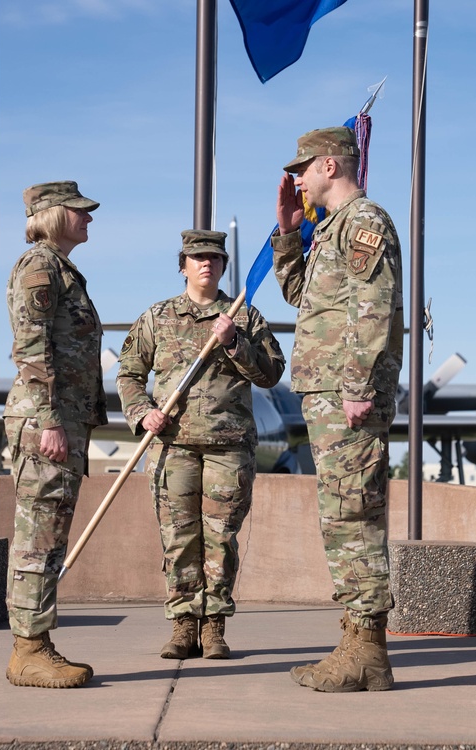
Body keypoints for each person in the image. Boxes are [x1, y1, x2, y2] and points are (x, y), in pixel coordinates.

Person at [272, 126, 404, 692]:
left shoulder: (364, 222)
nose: (297, 178)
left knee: (354, 515)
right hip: (326, 394)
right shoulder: (328, 231)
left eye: (302, 168)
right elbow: (300, 297)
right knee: (342, 518)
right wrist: (287, 234)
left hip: (346, 395)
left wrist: (356, 385)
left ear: (330, 166)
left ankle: (368, 649)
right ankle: (355, 642)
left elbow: (372, 308)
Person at [116, 229, 285, 660]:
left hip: (228, 448)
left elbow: (270, 374)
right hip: (173, 447)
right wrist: (142, 413)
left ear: (224, 265)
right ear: (183, 266)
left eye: (214, 257)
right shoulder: (158, 316)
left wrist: (234, 341)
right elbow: (129, 373)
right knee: (178, 538)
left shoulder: (245, 317)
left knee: (220, 539)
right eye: (196, 257)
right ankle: (182, 627)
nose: (205, 263)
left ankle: (213, 627)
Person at [3, 180, 108, 689]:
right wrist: (48, 420)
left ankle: (36, 644)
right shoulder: (41, 266)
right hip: (47, 422)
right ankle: (29, 650)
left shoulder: (62, 269)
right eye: (79, 211)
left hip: (62, 420)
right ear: (50, 215)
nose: (88, 218)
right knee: (37, 538)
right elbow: (31, 345)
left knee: (48, 536)